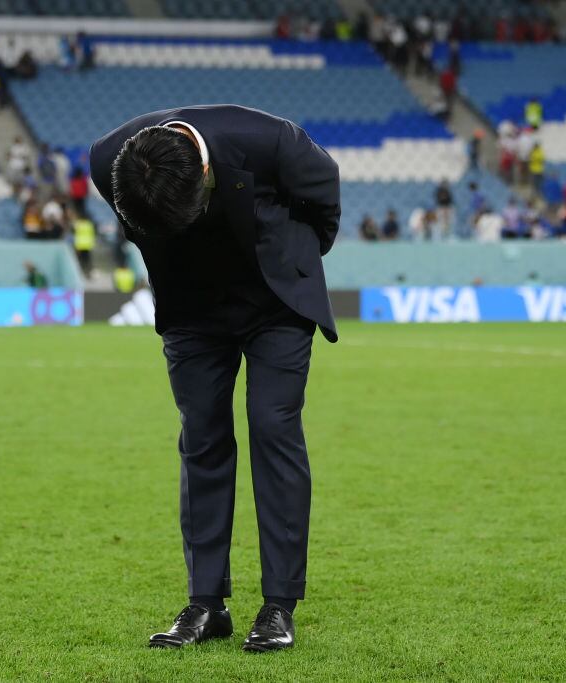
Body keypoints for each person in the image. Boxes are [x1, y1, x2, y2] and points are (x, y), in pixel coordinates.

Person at [90, 105, 339, 653]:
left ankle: (278, 606)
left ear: (207, 175)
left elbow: (325, 197)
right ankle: (206, 604)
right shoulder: (108, 159)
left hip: (275, 301)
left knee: (272, 428)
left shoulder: (271, 140)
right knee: (201, 437)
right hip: (192, 309)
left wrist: (294, 258)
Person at [70, 209, 96, 276]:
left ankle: (81, 272)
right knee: (88, 259)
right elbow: (92, 234)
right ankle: (89, 272)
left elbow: (73, 230)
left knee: (80, 260)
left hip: (79, 244)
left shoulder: (78, 223)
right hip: (88, 244)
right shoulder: (89, 224)